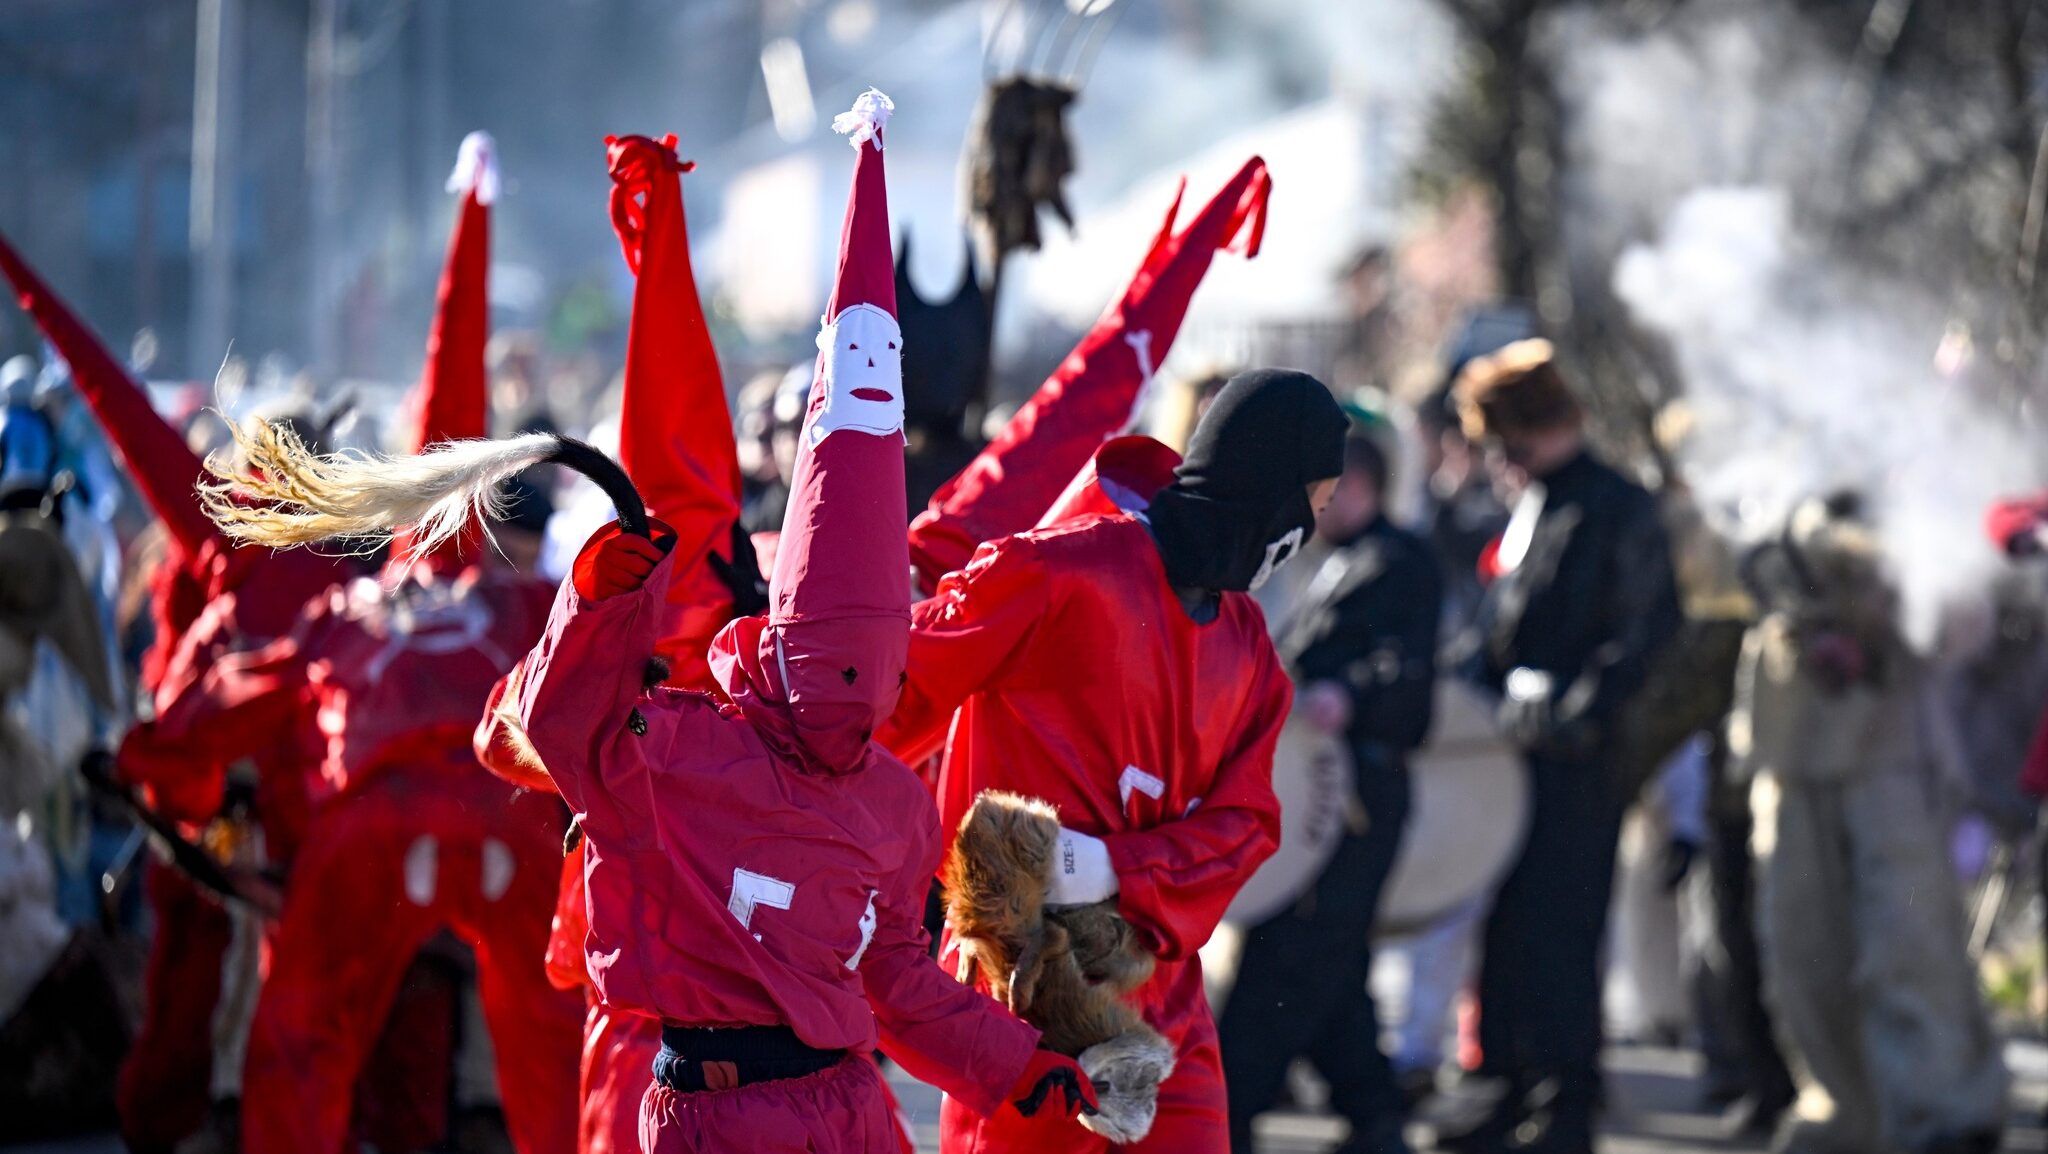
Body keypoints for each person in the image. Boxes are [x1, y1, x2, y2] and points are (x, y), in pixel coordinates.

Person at [882, 366, 1350, 1153]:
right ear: (1273, 492)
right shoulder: (1052, 572)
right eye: (1317, 504)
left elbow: (1246, 828)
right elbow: (887, 700)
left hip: (1166, 1015)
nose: (1315, 529)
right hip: (1023, 1005)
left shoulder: (1251, 652)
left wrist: (1108, 866)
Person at [1437, 339, 1681, 1154]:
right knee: (1508, 930)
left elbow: (1647, 633)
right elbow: (1501, 628)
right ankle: (1510, 1092)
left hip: (1582, 760)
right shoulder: (1537, 501)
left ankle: (1565, 1108)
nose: (1500, 461)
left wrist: (1578, 708)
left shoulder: (1616, 505)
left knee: (1564, 934)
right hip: (1515, 757)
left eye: (1507, 441)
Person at [1733, 494, 2007, 1154]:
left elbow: (1962, 617)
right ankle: (1845, 1109)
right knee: (1803, 954)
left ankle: (1940, 1111)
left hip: (1893, 759)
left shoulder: (1912, 481)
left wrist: (1876, 620)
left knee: (1908, 948)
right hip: (1794, 756)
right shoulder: (1768, 482)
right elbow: (1709, 575)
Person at [1218, 431, 1442, 1154]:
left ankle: (1229, 1110)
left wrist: (1350, 693)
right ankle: (1373, 1116)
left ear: (1361, 487)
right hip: (1326, 790)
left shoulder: (1399, 563)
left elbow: (1410, 672)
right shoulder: (1342, 562)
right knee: (1328, 962)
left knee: (1295, 953)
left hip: (1355, 795)